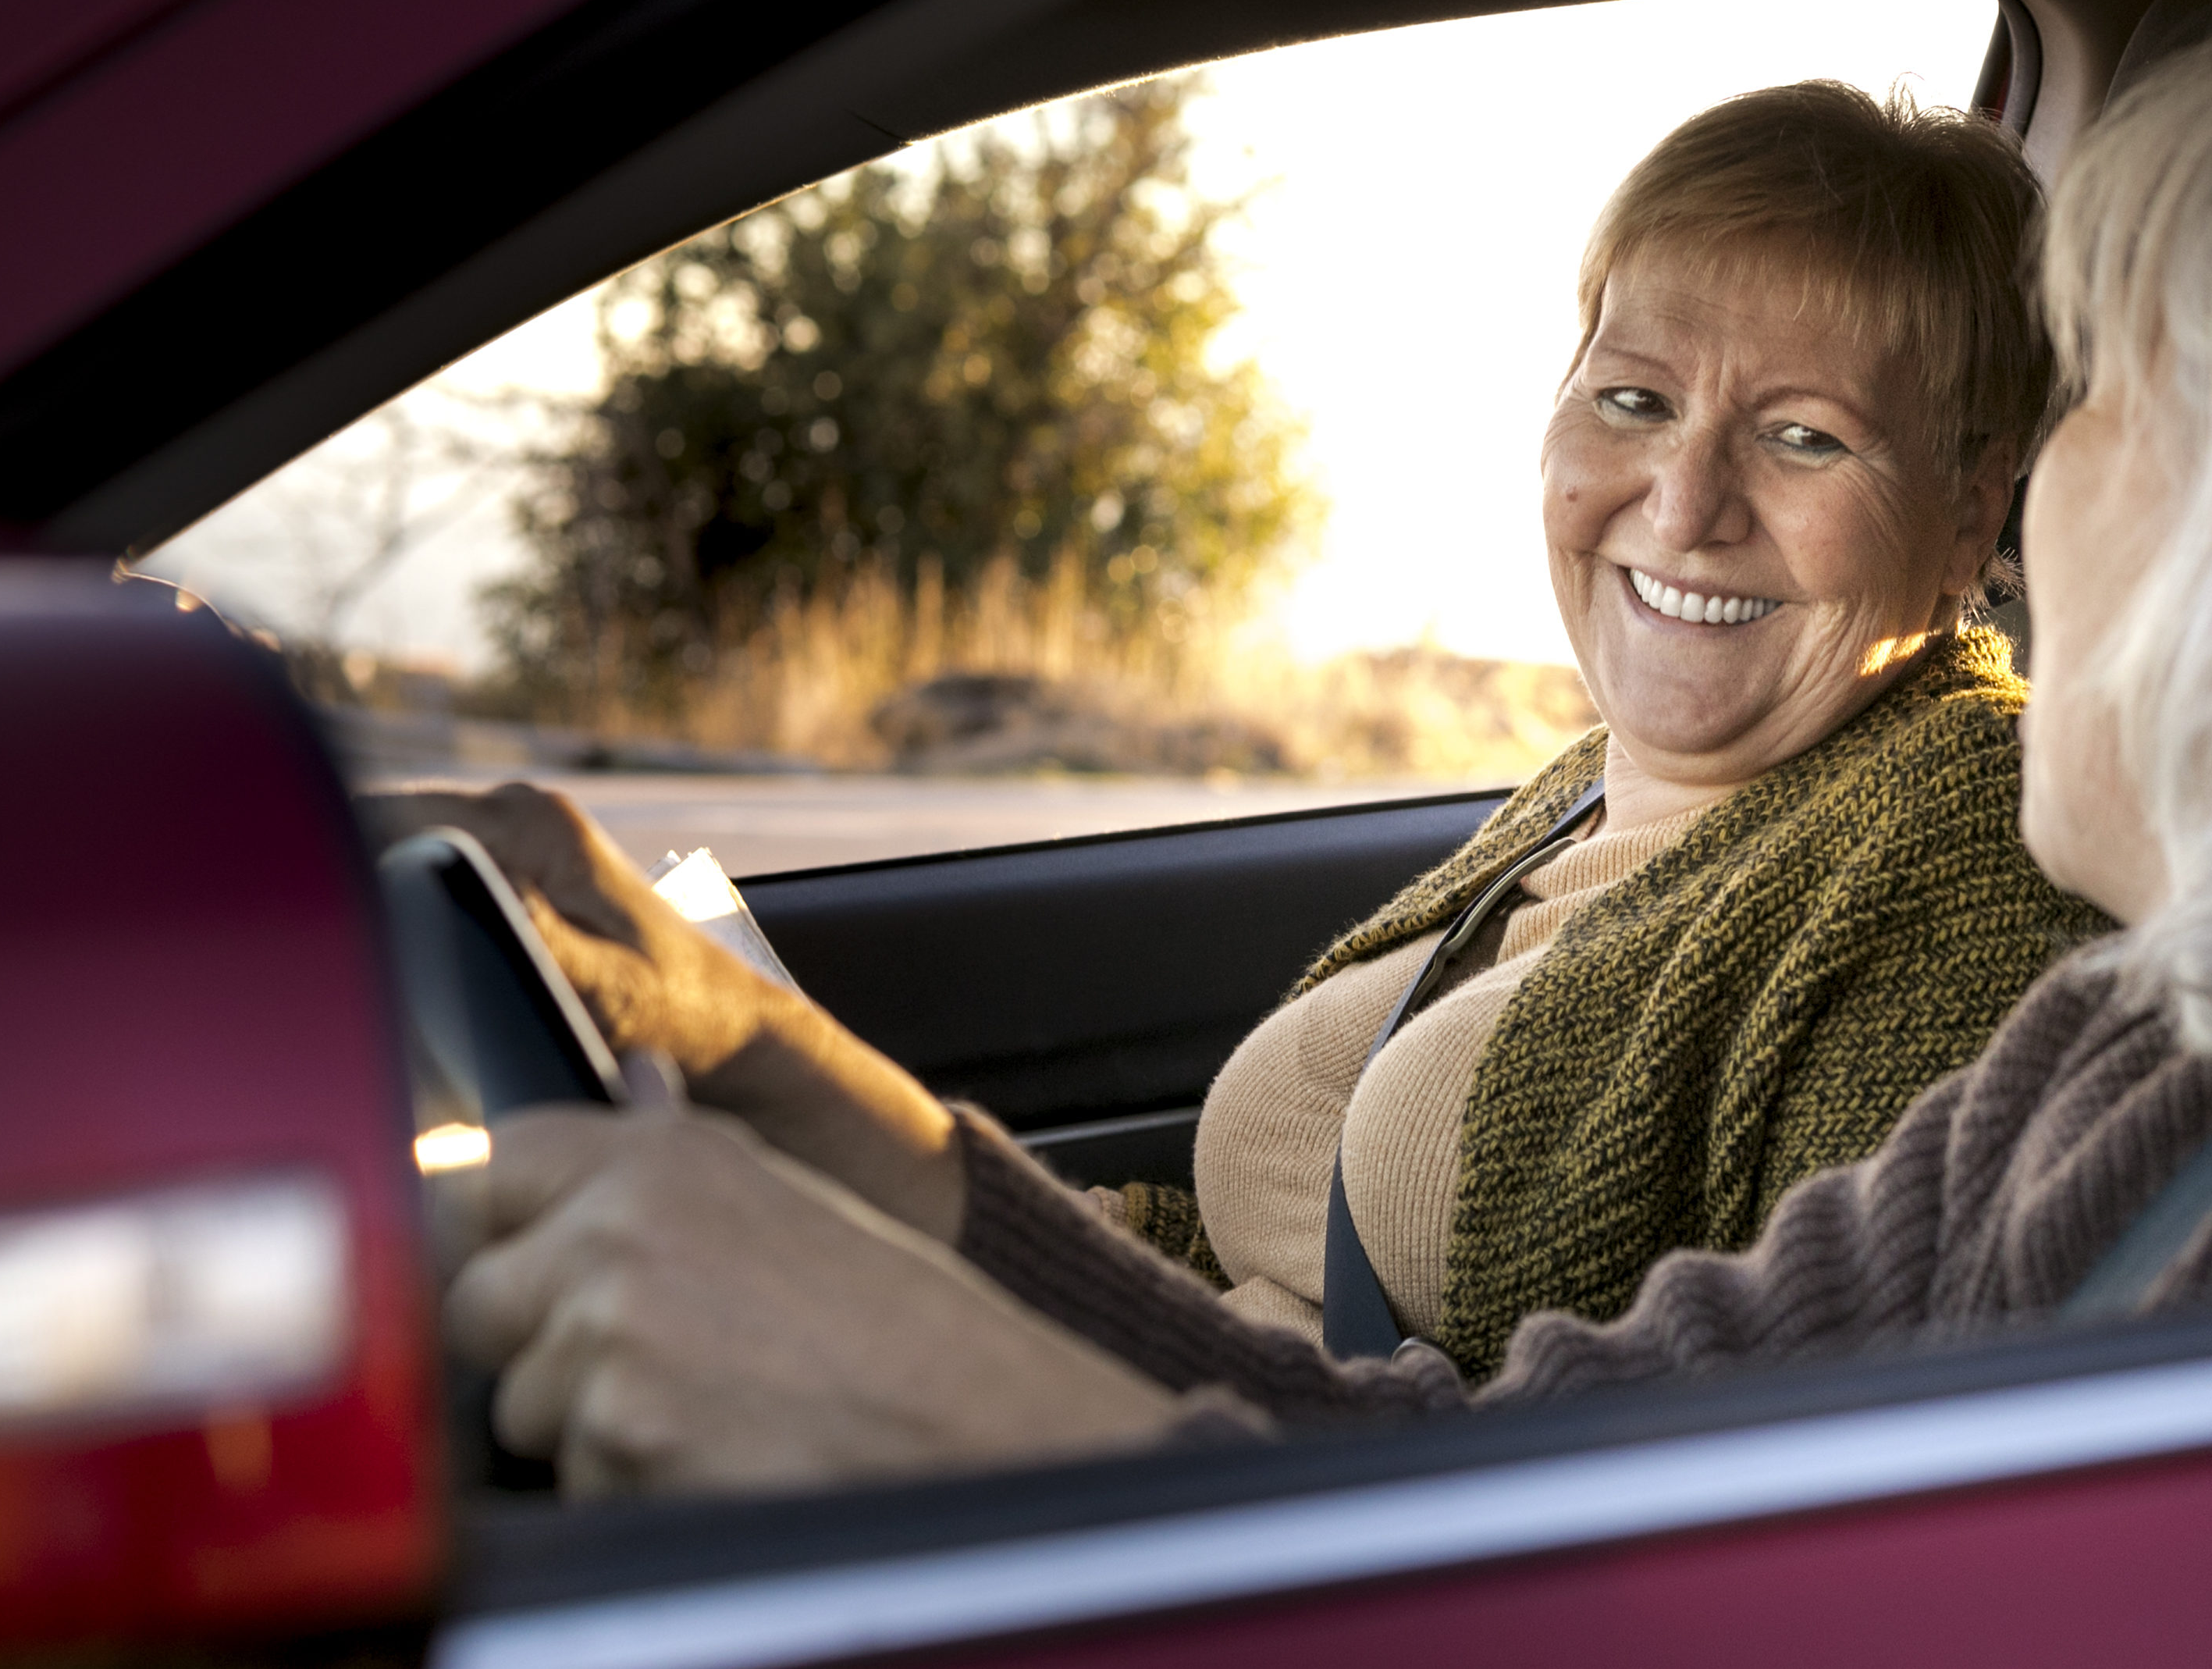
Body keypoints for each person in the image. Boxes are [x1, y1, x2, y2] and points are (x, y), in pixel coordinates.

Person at [437, 15, 2212, 1494]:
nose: (2021, 525)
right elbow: (1518, 1473)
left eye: (2095, 407)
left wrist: (980, 1447)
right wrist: (777, 1080)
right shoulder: (2179, 1040)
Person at [389, 80, 2109, 1443]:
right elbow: (1228, 1288)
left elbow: (1691, 1502)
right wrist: (754, 1051)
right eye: (1636, 399)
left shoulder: (1960, 858)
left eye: (1804, 435)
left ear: (1973, 505)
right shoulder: (1588, 784)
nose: (1683, 501)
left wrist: (928, 1391)